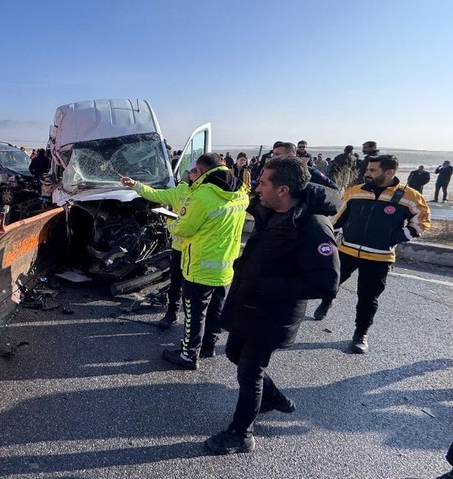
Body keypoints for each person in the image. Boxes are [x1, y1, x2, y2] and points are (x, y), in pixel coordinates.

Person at [204, 156, 340, 455]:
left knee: (250, 371)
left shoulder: (313, 226)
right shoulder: (269, 208)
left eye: (263, 182)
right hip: (249, 304)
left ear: (283, 189)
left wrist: (266, 286)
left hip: (273, 313)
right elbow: (236, 195)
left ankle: (241, 434)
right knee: (233, 353)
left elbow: (326, 282)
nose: (257, 187)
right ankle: (272, 397)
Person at [313, 155, 431, 353]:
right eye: (367, 169)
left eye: (373, 170)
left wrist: (394, 237)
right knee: (330, 283)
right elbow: (337, 217)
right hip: (347, 250)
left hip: (379, 257)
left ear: (389, 172)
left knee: (368, 297)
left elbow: (422, 222)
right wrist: (324, 235)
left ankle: (360, 334)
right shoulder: (356, 192)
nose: (367, 173)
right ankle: (327, 300)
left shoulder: (409, 196)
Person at [161, 153, 249, 370]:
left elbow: (184, 228)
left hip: (200, 265)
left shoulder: (202, 196)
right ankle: (209, 346)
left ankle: (188, 355)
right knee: (215, 308)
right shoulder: (240, 191)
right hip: (225, 263)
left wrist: (168, 221)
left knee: (194, 312)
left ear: (200, 171)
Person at [120, 166, 202, 328]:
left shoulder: (205, 195)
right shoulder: (180, 191)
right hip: (180, 248)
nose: (191, 175)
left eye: (194, 172)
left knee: (192, 289)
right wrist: (134, 184)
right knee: (176, 284)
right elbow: (155, 194)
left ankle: (191, 325)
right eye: (190, 172)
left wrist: (172, 222)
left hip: (197, 249)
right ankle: (172, 314)